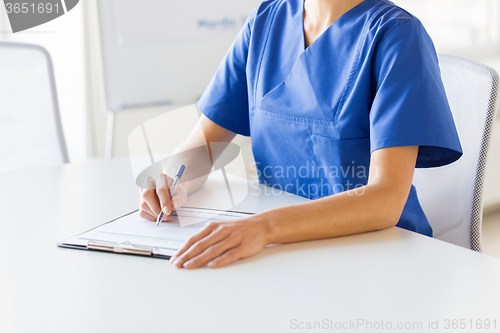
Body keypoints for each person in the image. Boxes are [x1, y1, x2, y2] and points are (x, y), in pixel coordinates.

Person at [139, 0, 462, 269]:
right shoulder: (267, 21)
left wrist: (263, 227)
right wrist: (171, 181)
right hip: (282, 252)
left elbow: (387, 199)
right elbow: (203, 146)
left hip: (379, 256)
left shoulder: (396, 35)